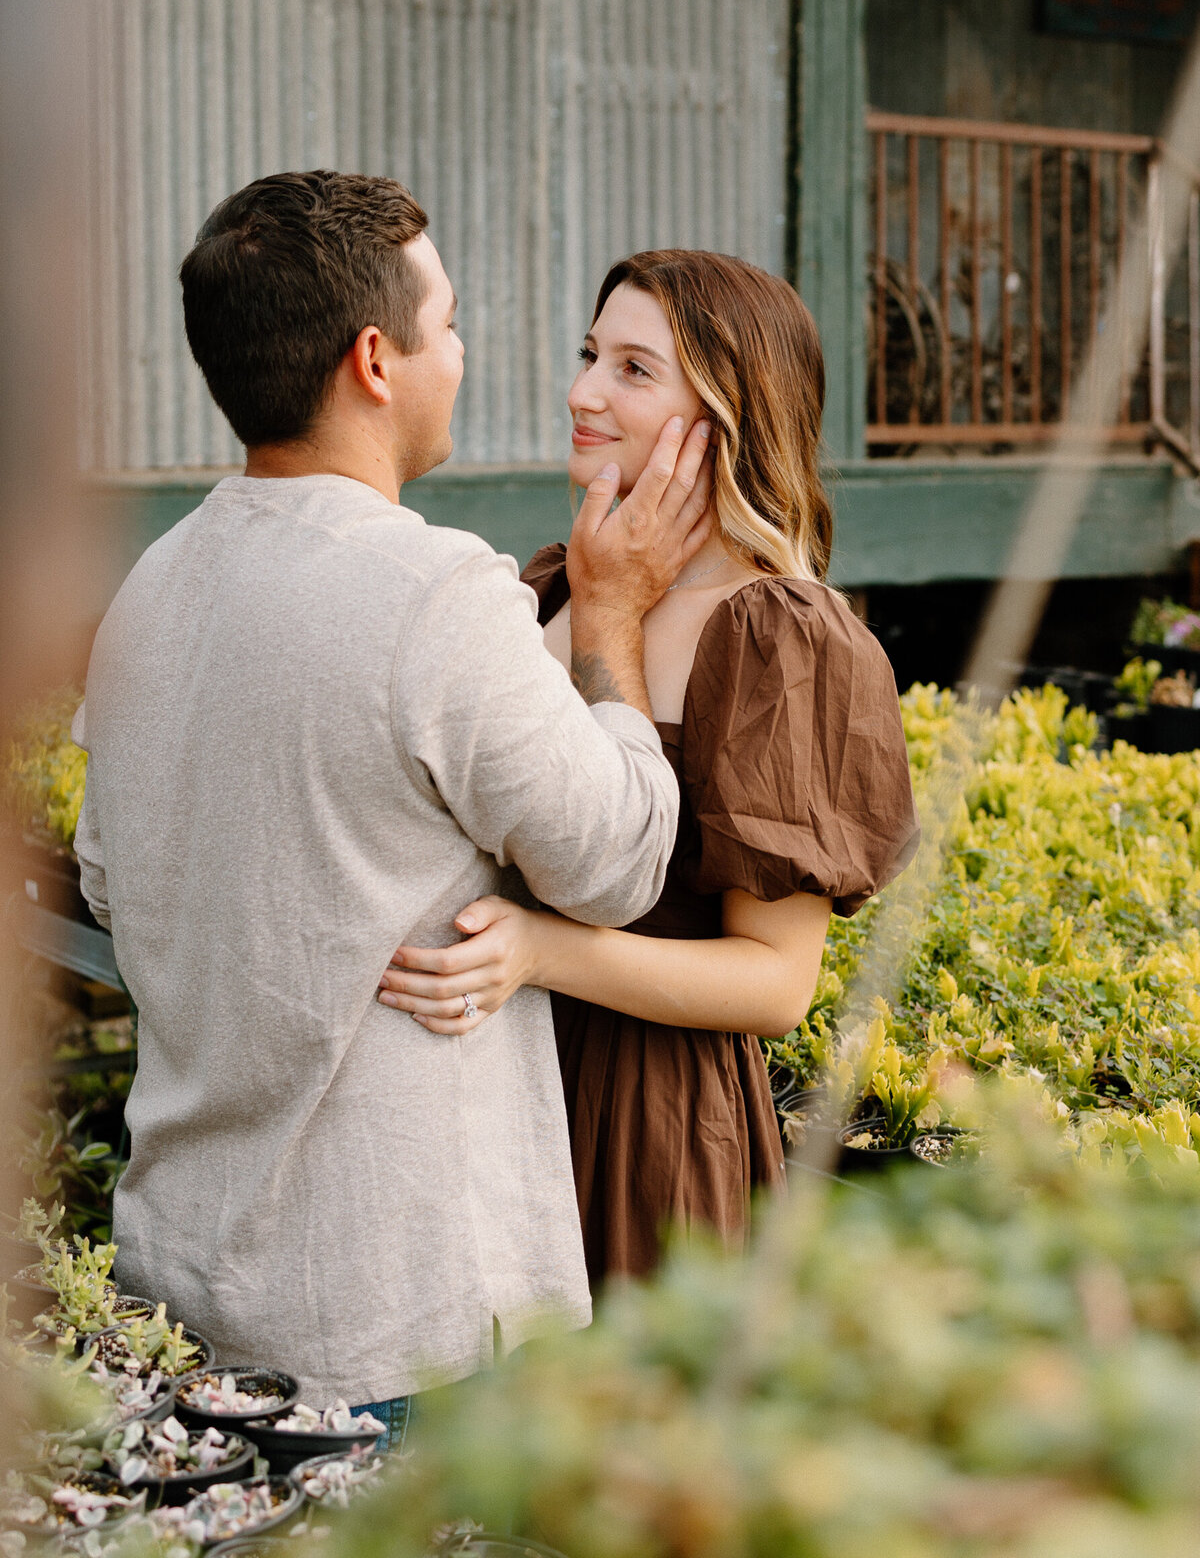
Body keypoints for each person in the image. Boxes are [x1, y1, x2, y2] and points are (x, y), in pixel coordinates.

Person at [72, 176, 715, 1435]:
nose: (467, 357)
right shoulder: (436, 593)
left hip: (182, 1277)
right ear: (377, 359)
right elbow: (622, 863)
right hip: (395, 1314)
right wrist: (618, 620)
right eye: (455, 322)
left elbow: (108, 877)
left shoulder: (148, 589)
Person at [377, 249, 920, 1282]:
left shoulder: (782, 638)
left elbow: (775, 984)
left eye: (634, 369)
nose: (582, 392)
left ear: (726, 411)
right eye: (591, 355)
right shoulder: (548, 585)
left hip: (643, 1119)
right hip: (477, 1094)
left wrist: (543, 953)